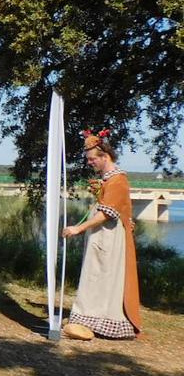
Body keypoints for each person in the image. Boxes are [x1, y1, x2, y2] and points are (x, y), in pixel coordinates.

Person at [60, 129, 143, 341]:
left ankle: (107, 323)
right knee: (95, 275)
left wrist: (78, 228)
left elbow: (107, 213)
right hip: (102, 236)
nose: (89, 163)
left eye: (92, 159)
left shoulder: (118, 180)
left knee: (105, 277)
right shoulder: (108, 180)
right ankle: (88, 319)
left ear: (105, 157)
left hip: (110, 237)